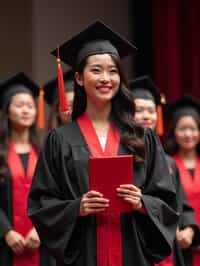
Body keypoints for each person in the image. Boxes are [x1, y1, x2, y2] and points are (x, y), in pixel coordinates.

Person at [28, 20, 179, 266]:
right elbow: (41, 204)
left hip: (133, 251)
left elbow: (167, 201)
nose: (106, 78)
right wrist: (78, 207)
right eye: (96, 70)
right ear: (78, 77)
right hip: (84, 253)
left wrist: (143, 202)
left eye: (113, 71)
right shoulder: (60, 140)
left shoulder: (143, 137)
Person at [130, 76, 200, 266]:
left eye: (151, 111)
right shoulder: (121, 155)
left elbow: (181, 204)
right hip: (138, 247)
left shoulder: (169, 162)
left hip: (169, 251)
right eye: (139, 110)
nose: (146, 116)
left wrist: (191, 229)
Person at [0, 72, 55, 266]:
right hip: (6, 244)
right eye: (19, 105)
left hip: (41, 242)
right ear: (7, 111)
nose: (26, 110)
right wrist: (5, 231)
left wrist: (41, 228)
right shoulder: (0, 152)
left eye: (30, 106)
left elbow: (54, 194)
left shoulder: (47, 149)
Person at [166, 95, 200, 266]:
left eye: (193, 129)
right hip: (180, 243)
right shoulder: (166, 165)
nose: (188, 134)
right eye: (182, 129)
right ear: (173, 132)